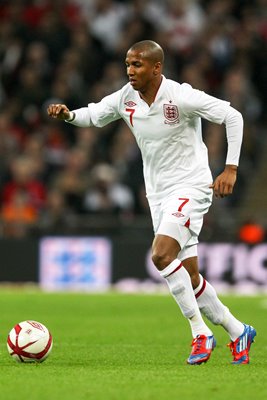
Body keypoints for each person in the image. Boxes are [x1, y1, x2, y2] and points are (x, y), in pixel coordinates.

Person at [47, 40, 256, 365]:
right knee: (190, 275)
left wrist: (230, 168)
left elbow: (233, 116)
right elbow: (95, 114)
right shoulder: (125, 98)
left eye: (137, 65)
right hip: (158, 193)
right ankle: (237, 329)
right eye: (128, 64)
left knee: (160, 255)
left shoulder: (180, 95)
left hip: (191, 186)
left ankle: (200, 333)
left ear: (157, 67)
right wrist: (69, 115)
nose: (130, 71)